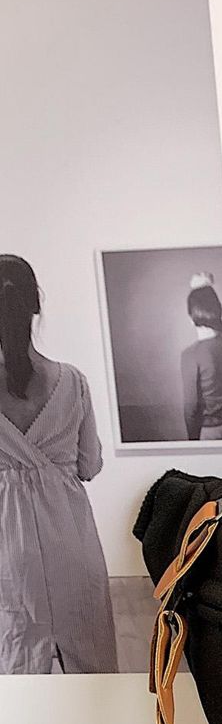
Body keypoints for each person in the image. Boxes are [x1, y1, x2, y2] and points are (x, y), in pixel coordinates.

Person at [0, 255, 117, 673]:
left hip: (8, 553)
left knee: (15, 670)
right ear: (36, 305)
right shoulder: (72, 381)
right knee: (89, 667)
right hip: (71, 542)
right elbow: (90, 465)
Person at [180, 273, 222, 440]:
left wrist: (193, 442)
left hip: (211, 433)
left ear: (191, 318)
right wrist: (205, 288)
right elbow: (220, 325)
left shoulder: (190, 355)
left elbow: (191, 409)